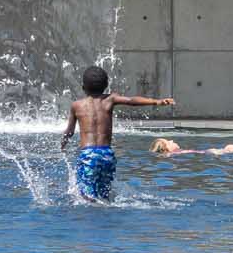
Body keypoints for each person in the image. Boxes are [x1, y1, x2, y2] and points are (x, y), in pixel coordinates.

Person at [60, 65, 174, 201]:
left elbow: (69, 132)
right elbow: (132, 101)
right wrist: (157, 101)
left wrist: (63, 144)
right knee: (104, 195)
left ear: (83, 87)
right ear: (106, 85)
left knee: (85, 196)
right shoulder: (110, 100)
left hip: (88, 155)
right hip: (107, 154)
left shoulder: (76, 105)